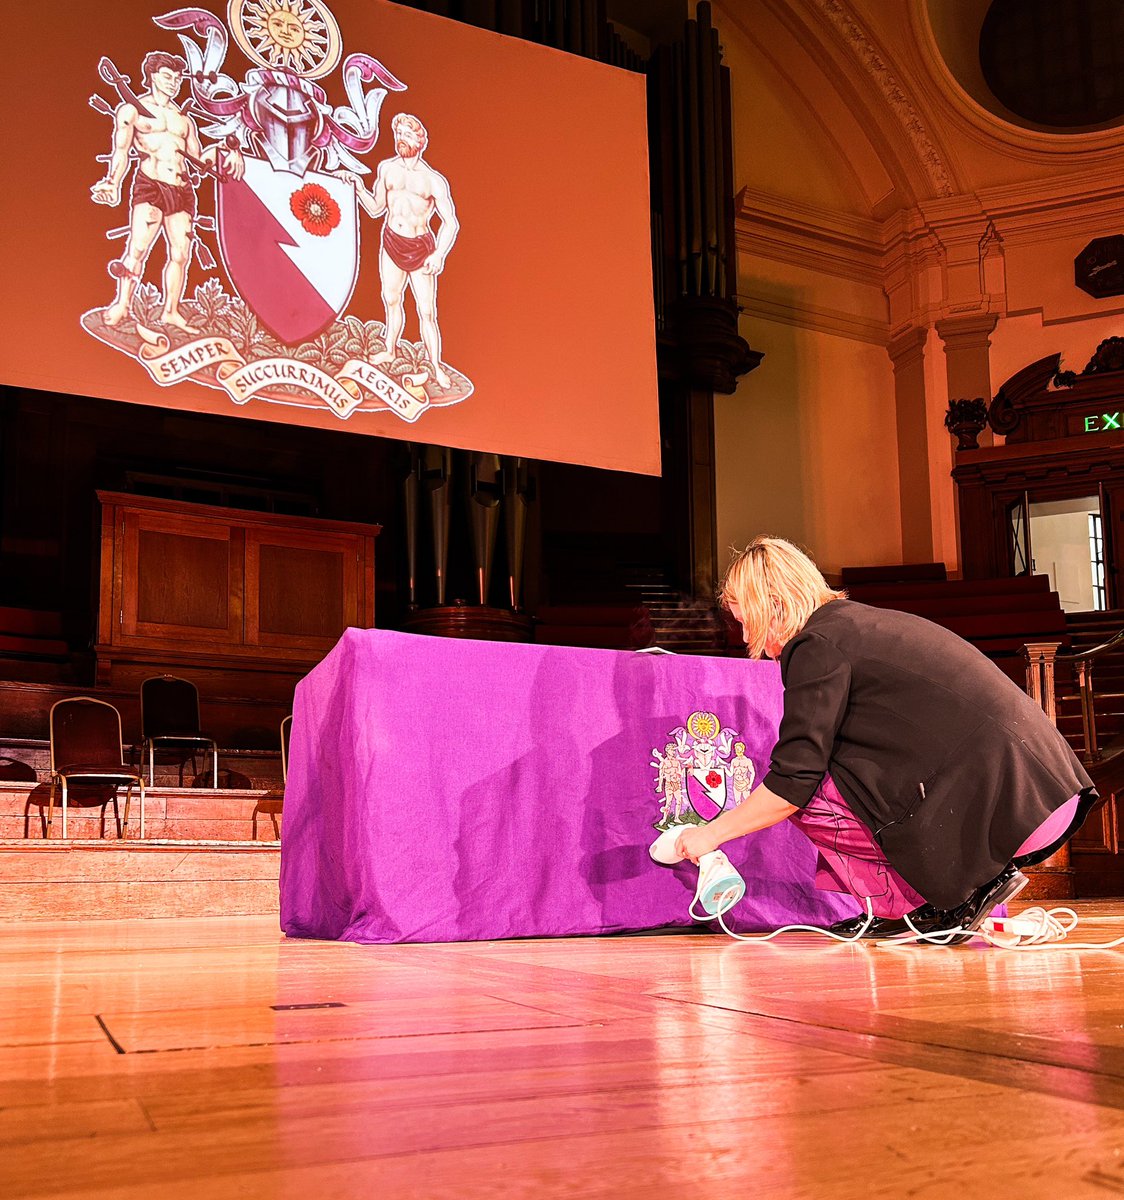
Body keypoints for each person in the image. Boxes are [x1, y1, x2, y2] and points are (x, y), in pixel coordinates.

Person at [675, 537, 1097, 942]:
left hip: (1011, 810)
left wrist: (710, 835)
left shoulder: (815, 643)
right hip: (1048, 792)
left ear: (775, 606)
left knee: (813, 795)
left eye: (748, 622)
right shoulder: (857, 624)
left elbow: (793, 781)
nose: (751, 641)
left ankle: (946, 894)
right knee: (839, 767)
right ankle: (917, 905)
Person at [91, 51, 244, 331]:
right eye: (167, 76)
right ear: (152, 76)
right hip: (151, 185)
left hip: (182, 191)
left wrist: (229, 149)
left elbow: (199, 161)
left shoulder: (184, 121)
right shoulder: (132, 110)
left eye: (176, 78)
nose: (173, 83)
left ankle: (170, 311)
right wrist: (112, 182)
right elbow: (121, 150)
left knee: (181, 255)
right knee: (137, 247)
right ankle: (122, 304)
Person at [342, 113, 459, 388]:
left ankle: (436, 366)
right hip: (392, 242)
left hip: (420, 248)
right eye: (398, 134)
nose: (401, 139)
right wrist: (358, 188)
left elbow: (451, 222)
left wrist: (438, 254)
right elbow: (375, 209)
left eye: (407, 134)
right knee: (391, 299)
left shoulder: (433, 180)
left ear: (420, 140)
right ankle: (390, 349)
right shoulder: (387, 169)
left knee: (426, 311)